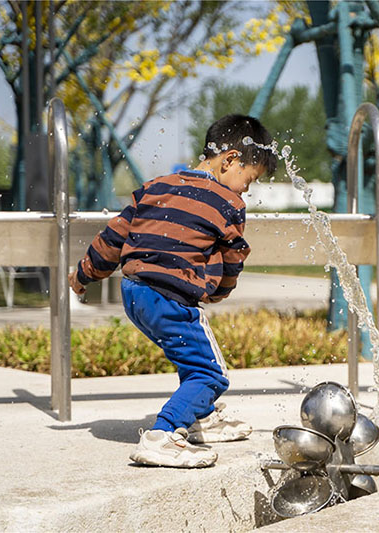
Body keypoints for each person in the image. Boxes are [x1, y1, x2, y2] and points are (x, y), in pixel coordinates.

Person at [69, 115, 277, 468]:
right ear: (229, 160)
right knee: (209, 373)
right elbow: (233, 257)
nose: (246, 189)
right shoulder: (228, 203)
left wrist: (84, 275)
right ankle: (163, 435)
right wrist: (220, 290)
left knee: (190, 355)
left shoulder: (155, 186)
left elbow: (113, 237)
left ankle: (202, 418)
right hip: (170, 298)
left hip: (134, 293)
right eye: (249, 178)